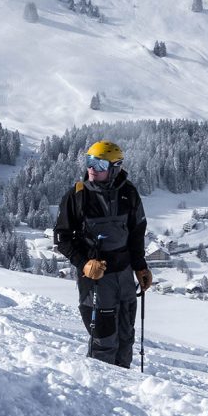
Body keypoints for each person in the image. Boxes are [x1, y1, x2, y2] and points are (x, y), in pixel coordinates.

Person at [54, 140, 152, 367]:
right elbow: (62, 237)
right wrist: (84, 263)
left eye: (98, 164)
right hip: (97, 278)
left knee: (126, 337)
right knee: (104, 340)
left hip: (125, 275)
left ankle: (125, 390)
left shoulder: (129, 193)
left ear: (114, 168)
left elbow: (137, 233)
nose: (91, 169)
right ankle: (101, 391)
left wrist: (140, 266)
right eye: (89, 161)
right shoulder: (77, 196)